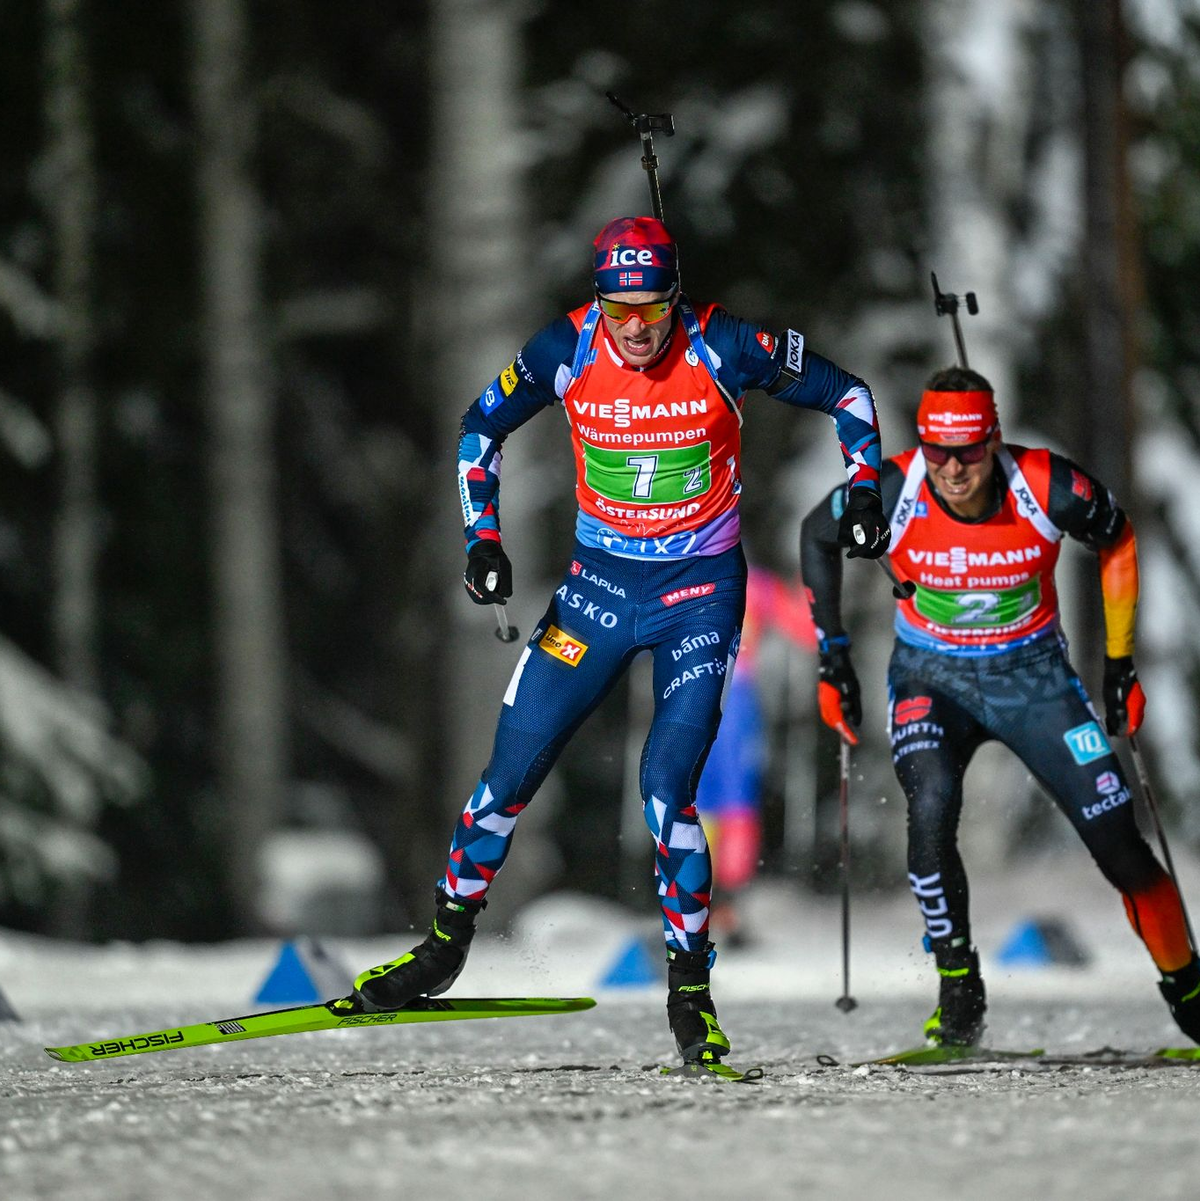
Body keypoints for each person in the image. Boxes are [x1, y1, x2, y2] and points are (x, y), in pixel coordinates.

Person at [352, 215, 891, 1068]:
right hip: (595, 595)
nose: (635, 327)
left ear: (675, 297)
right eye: (618, 307)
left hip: (698, 600)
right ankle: (444, 949)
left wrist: (865, 486)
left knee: (666, 790)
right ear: (597, 299)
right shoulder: (565, 347)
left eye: (650, 307)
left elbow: (850, 394)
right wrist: (482, 539)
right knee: (503, 781)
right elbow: (476, 431)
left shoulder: (727, 343)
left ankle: (690, 997)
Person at [800, 366, 1199, 1048]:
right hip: (933, 679)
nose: (954, 470)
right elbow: (816, 536)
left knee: (1120, 847)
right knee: (930, 806)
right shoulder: (893, 488)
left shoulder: (1046, 485)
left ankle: (1190, 992)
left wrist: (1120, 662)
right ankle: (959, 985)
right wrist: (833, 658)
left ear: (995, 441)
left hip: (1033, 680)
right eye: (938, 450)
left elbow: (1118, 538)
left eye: (970, 451)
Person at [695, 565, 816, 945]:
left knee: (735, 806)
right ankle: (696, 900)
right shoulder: (673, 570)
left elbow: (807, 632)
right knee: (691, 801)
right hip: (686, 694)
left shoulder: (754, 581)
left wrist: (814, 592)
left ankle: (728, 905)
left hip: (736, 700)